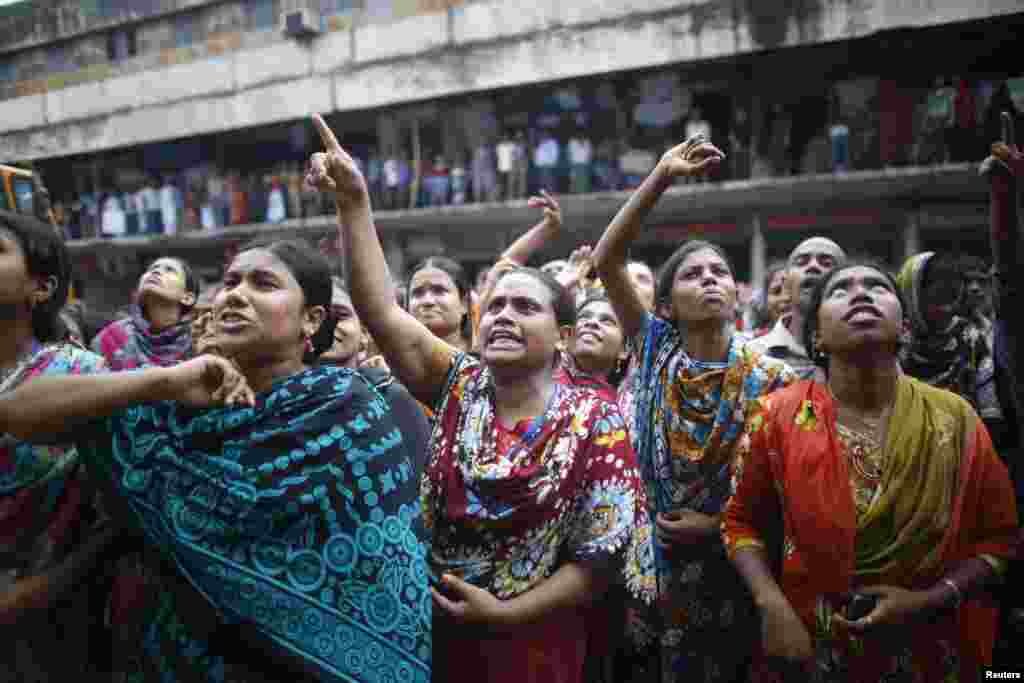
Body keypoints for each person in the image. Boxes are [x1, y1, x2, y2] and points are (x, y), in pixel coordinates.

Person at [306, 113, 651, 683]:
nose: (503, 317)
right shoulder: (460, 385)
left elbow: (599, 558)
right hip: (432, 629)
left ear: (563, 336)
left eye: (525, 307)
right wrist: (355, 204)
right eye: (494, 307)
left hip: (534, 639)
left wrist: (506, 613)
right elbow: (381, 312)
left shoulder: (597, 419)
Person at [0, 237, 432, 683]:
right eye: (229, 282)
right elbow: (17, 412)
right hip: (174, 658)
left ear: (311, 319)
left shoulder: (345, 406)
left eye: (263, 283)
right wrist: (164, 381)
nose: (236, 294)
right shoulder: (176, 405)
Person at [723, 259, 1019, 681]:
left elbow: (1000, 538)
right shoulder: (778, 415)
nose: (860, 293)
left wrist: (930, 598)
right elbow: (739, 522)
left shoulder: (957, 418)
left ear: (904, 328)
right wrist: (771, 603)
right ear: (818, 336)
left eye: (877, 288)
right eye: (841, 290)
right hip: (814, 649)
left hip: (932, 649)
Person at [593, 134, 796, 683]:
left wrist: (715, 526)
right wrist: (660, 177)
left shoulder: (775, 379)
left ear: (739, 294)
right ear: (664, 304)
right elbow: (606, 257)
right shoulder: (655, 349)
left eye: (719, 272)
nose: (709, 278)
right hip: (649, 568)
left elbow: (787, 489)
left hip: (737, 568)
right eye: (691, 273)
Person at [0, 211, 119, 682]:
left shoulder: (86, 378)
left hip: (55, 629)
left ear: (41, 289)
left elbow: (115, 519)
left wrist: (40, 588)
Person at [750, 237, 846, 379]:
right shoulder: (752, 356)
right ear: (786, 283)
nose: (813, 266)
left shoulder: (867, 354)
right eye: (801, 263)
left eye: (826, 263)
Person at [91, 257, 199, 370]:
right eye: (152, 268)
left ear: (187, 298)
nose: (155, 271)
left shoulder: (198, 343)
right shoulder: (112, 337)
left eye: (169, 270)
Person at [407, 256, 474, 353]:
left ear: (463, 303)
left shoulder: (486, 364)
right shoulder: (391, 364)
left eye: (439, 291)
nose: (427, 301)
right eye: (417, 293)